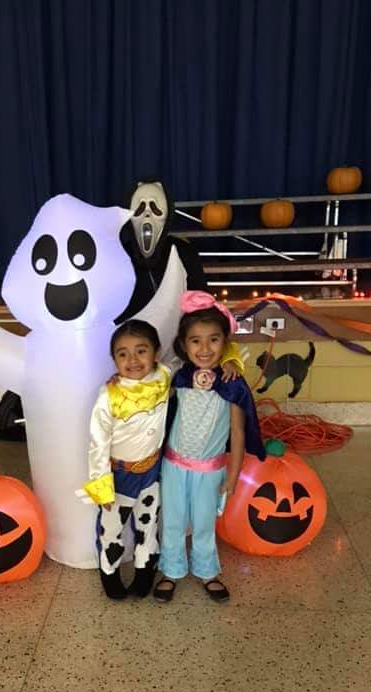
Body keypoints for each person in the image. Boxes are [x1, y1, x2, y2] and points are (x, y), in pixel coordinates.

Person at [81, 317, 242, 601]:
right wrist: (100, 484)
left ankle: (146, 572)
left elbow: (212, 352)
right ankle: (110, 571)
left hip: (153, 471)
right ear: (114, 359)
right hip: (118, 475)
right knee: (112, 527)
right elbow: (98, 443)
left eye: (141, 351)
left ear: (156, 354)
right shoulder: (109, 394)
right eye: (123, 354)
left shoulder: (167, 376)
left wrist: (231, 360)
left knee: (149, 525)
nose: (133, 359)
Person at [153, 292, 265, 604]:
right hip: (173, 467)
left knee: (203, 522)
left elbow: (239, 432)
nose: (205, 349)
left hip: (210, 470)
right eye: (196, 341)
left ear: (224, 342)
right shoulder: (179, 377)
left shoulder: (232, 383)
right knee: (172, 520)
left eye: (214, 340)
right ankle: (171, 570)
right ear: (184, 344)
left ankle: (206, 571)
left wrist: (233, 473)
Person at [119, 178, 208, 322]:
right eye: (140, 208)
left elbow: (202, 306)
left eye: (155, 208)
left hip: (176, 338)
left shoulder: (183, 252)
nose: (147, 215)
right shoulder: (119, 255)